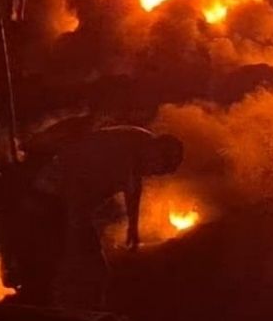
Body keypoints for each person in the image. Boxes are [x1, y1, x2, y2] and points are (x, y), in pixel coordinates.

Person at [35, 126, 183, 308]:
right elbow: (81, 184)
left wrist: (133, 228)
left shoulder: (139, 145)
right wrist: (75, 224)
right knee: (75, 267)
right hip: (54, 200)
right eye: (161, 165)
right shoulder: (125, 148)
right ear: (156, 150)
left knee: (90, 268)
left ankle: (76, 308)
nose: (154, 173)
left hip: (67, 204)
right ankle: (59, 311)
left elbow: (134, 185)